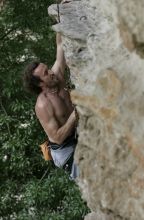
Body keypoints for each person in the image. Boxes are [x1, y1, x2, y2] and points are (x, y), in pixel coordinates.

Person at [23, 32, 79, 179]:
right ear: (40, 84)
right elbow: (58, 137)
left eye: (47, 68)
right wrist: (74, 116)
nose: (51, 72)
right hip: (65, 150)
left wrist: (59, 19)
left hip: (76, 133)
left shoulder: (57, 76)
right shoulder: (43, 105)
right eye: (46, 73)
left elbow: (60, 46)